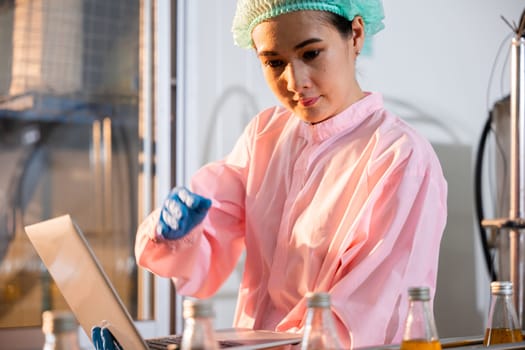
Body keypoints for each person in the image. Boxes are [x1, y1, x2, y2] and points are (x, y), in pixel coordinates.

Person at [93, 0, 447, 348]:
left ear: (355, 35)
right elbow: (207, 244)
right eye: (274, 62)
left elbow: (367, 317)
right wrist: (174, 234)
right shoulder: (266, 135)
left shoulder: (400, 157)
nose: (295, 82)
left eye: (311, 54)